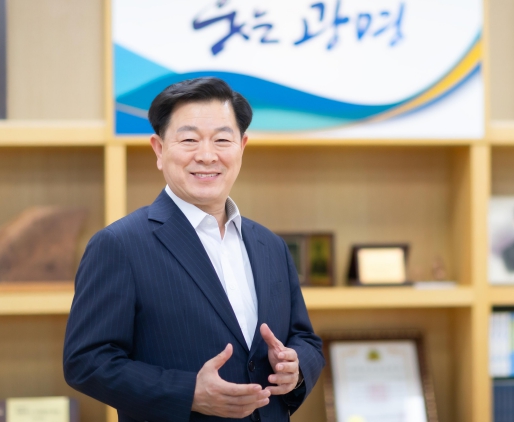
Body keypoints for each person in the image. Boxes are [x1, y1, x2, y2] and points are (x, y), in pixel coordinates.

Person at [63, 77, 324, 422]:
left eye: (222, 140)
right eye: (189, 140)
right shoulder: (119, 245)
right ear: (159, 149)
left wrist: (296, 367)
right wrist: (189, 393)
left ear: (242, 146)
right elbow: (86, 361)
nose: (206, 155)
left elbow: (304, 338)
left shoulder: (270, 245)